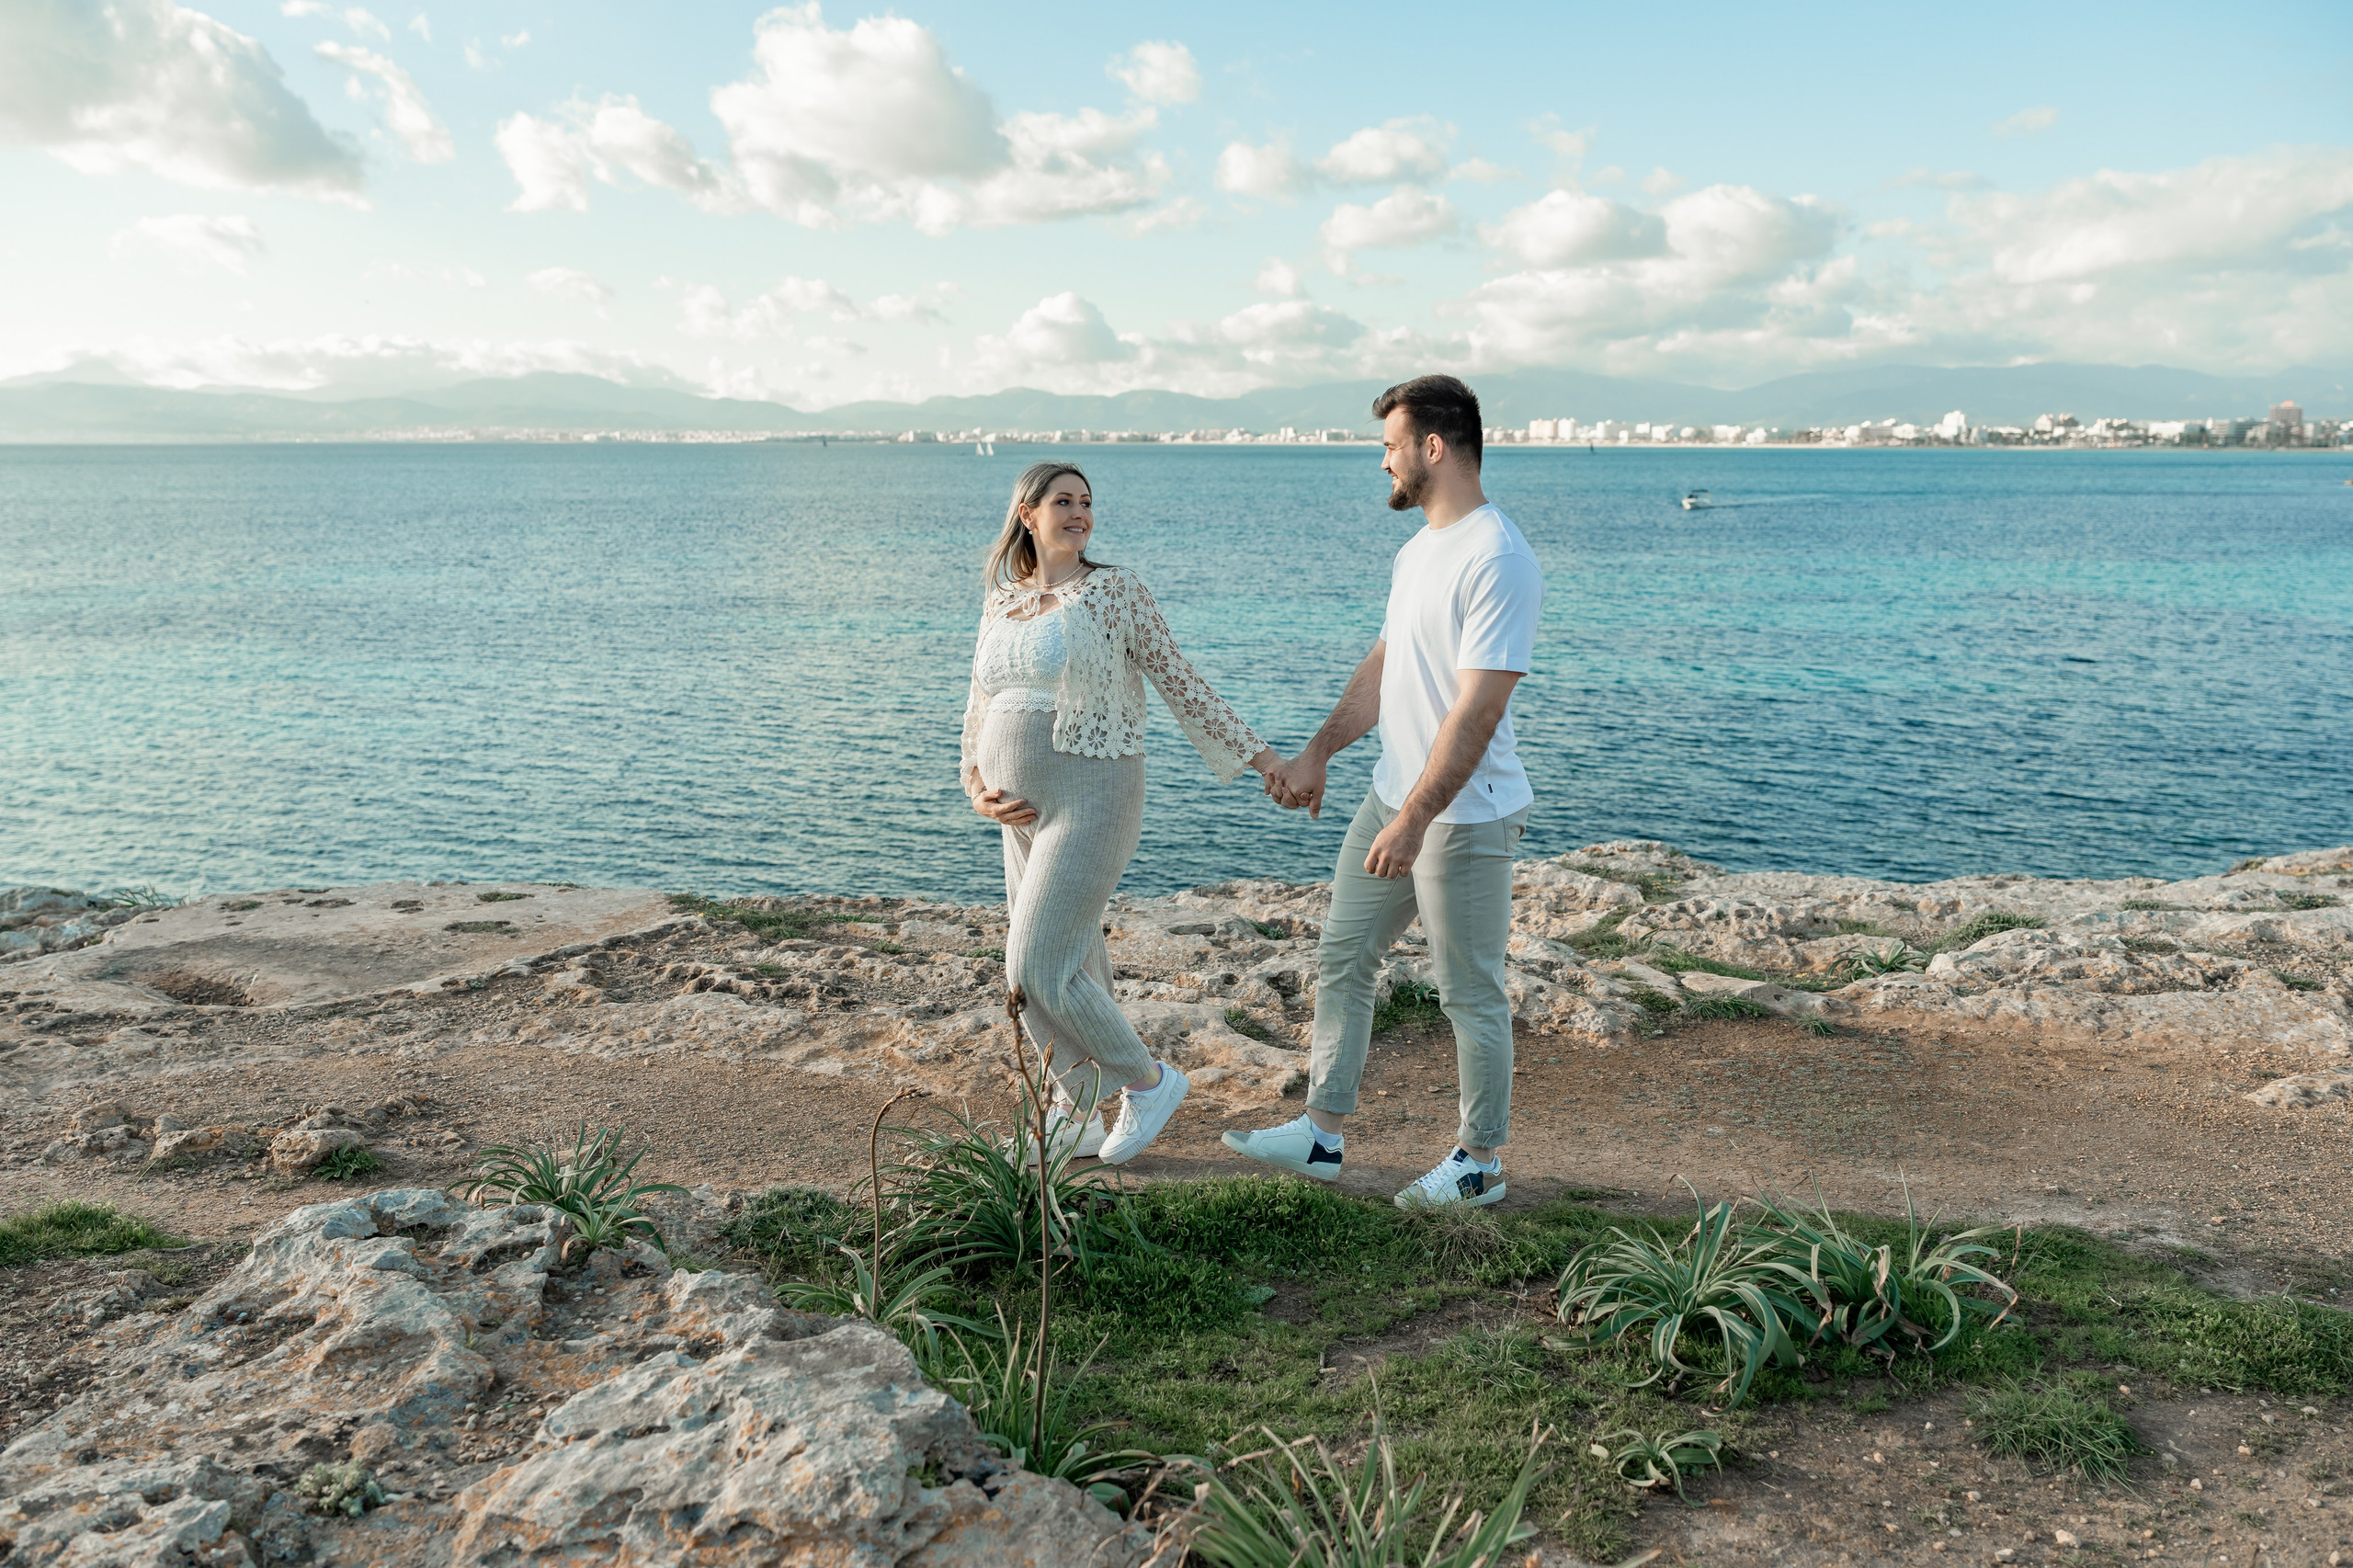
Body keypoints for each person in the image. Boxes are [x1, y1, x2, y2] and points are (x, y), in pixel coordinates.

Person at [1228, 375, 1544, 1209]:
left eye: (1390, 446)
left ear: (1433, 448)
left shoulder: (1499, 557)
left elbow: (1477, 711)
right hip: (1392, 795)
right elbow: (1385, 664)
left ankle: (1479, 1163)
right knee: (1344, 955)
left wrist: (1414, 821)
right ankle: (1321, 1135)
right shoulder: (1418, 552)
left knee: (1467, 989)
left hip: (1462, 814)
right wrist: (1318, 752)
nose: (1383, 463)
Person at [962, 460, 1284, 1165]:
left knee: (1033, 965)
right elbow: (980, 703)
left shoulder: (1114, 591)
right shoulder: (1003, 599)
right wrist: (976, 784)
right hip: (1018, 813)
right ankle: (1073, 1111)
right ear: (1027, 515)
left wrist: (1264, 761)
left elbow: (1179, 680)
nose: (1080, 513)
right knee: (1074, 957)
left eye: (1086, 502)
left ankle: (1148, 1080)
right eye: (1063, 501)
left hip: (1094, 792)